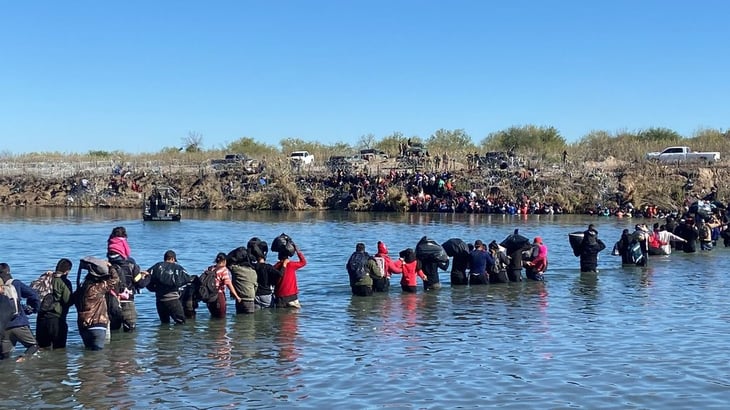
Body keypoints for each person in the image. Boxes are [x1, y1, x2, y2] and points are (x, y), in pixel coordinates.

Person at [75, 257, 119, 350]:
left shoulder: (81, 289)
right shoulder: (98, 288)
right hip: (97, 325)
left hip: (83, 325)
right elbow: (115, 280)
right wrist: (111, 267)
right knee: (98, 358)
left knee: (88, 358)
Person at [0, 263, 40, 362]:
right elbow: (34, 295)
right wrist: (34, 309)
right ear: (8, 271)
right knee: (33, 346)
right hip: (19, 323)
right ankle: (22, 359)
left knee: (4, 357)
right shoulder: (16, 283)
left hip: (3, 327)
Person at [146, 250, 193, 324]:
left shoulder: (157, 266)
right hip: (173, 300)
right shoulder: (177, 268)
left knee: (164, 323)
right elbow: (188, 279)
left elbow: (146, 278)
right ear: (172, 259)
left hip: (160, 301)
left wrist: (154, 289)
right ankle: (176, 335)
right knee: (181, 322)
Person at [36, 258, 73, 350]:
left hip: (41, 318)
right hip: (56, 319)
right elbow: (67, 301)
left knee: (42, 349)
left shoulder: (45, 278)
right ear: (67, 271)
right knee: (59, 351)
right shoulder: (64, 282)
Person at [207, 252, 242, 318]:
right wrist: (237, 296)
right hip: (219, 295)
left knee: (213, 316)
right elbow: (228, 284)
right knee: (221, 318)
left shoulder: (210, 268)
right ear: (224, 260)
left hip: (209, 296)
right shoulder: (224, 270)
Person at [273, 242, 306, 309]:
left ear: (279, 256)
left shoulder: (276, 266)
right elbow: (303, 262)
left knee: (281, 317)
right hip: (292, 296)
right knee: (293, 317)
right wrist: (298, 251)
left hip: (280, 297)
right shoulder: (291, 265)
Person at [250, 239, 281, 309]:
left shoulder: (253, 266)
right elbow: (279, 274)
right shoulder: (268, 267)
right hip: (267, 295)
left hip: (256, 295)